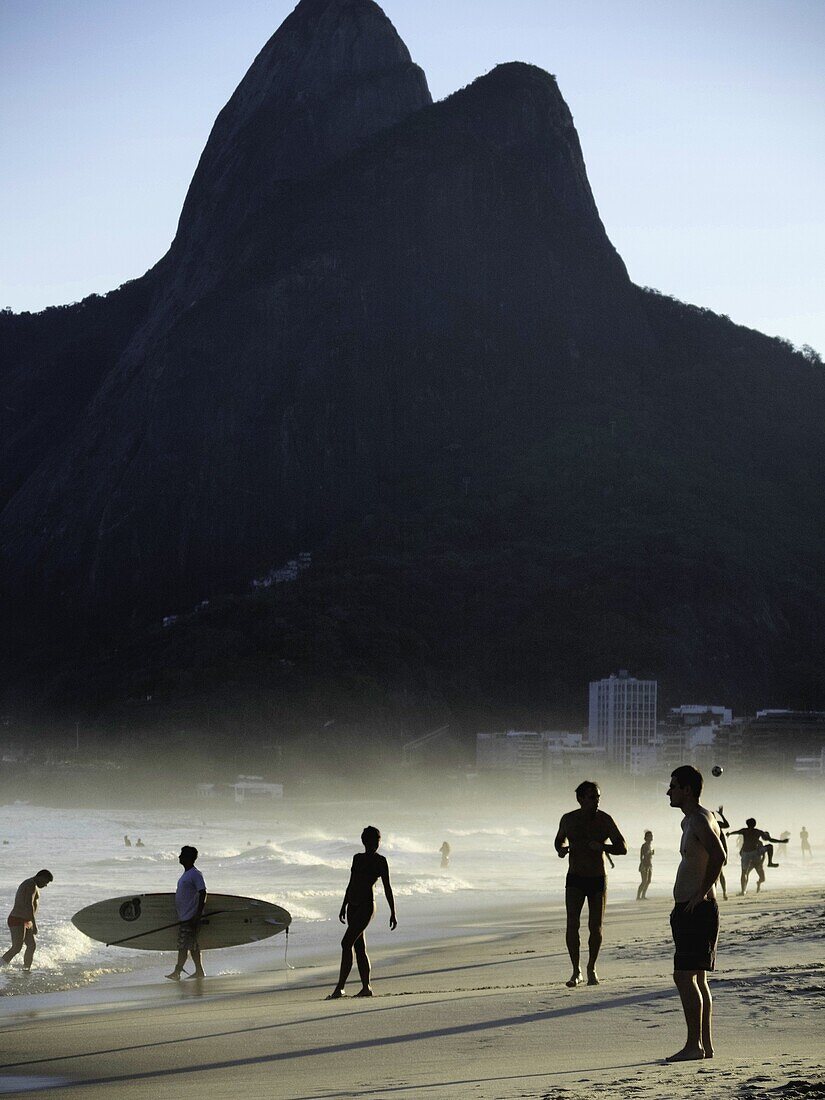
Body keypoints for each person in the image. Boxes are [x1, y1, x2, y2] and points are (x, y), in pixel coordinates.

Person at [666, 765, 726, 1062]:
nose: (669, 791)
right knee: (698, 978)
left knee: (683, 976)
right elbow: (719, 848)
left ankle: (694, 1046)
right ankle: (705, 1045)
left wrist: (701, 892)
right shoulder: (696, 819)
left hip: (697, 909)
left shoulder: (700, 819)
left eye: (673, 786)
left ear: (687, 790)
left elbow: (720, 855)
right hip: (693, 908)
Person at [554, 780, 627, 987]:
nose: (596, 801)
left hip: (597, 879)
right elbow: (558, 840)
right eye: (592, 797)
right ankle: (576, 970)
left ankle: (591, 967)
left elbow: (622, 847)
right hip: (575, 878)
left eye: (598, 797)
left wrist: (602, 847)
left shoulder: (605, 820)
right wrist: (560, 849)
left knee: (595, 927)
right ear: (580, 799)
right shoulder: (568, 819)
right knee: (572, 924)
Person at [327, 826, 396, 999]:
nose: (376, 844)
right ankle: (366, 987)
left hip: (366, 906)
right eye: (373, 841)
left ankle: (340, 988)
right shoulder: (357, 859)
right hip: (353, 906)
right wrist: (343, 905)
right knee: (359, 947)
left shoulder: (381, 861)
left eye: (378, 841)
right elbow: (351, 883)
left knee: (345, 943)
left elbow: (387, 887)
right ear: (365, 841)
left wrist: (393, 912)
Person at [165, 846, 206, 980]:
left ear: (188, 858)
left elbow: (203, 892)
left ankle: (177, 972)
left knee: (183, 945)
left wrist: (197, 915)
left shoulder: (195, 874)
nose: (179, 857)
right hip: (185, 917)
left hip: (190, 917)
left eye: (182, 854)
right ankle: (199, 971)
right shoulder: (187, 874)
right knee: (192, 945)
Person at [1, 870, 54, 972]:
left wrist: (30, 921)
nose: (45, 885)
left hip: (25, 919)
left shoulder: (31, 884)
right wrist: (34, 924)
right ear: (41, 877)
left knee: (31, 945)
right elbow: (28, 905)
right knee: (16, 948)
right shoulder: (30, 885)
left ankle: (26, 970)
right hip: (17, 919)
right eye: (46, 882)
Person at [727, 818, 789, 895]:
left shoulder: (744, 830)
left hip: (745, 853)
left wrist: (729, 834)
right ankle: (770, 862)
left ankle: (743, 891)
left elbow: (736, 832)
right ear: (755, 824)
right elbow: (770, 839)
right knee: (770, 846)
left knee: (744, 873)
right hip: (755, 853)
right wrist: (782, 841)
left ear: (747, 824)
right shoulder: (758, 832)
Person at [714, 806, 730, 901]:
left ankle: (722, 892)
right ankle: (716, 893)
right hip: (711, 853)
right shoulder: (706, 826)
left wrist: (721, 815)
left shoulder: (718, 825)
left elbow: (727, 825)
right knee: (716, 875)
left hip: (717, 853)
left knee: (719, 874)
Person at [637, 831, 654, 900]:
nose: (651, 837)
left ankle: (643, 895)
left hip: (649, 864)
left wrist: (651, 853)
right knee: (644, 881)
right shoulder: (644, 845)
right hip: (644, 865)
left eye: (651, 836)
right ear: (646, 837)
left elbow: (648, 855)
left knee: (648, 880)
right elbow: (642, 856)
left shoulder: (649, 845)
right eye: (650, 836)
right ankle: (638, 896)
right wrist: (642, 865)